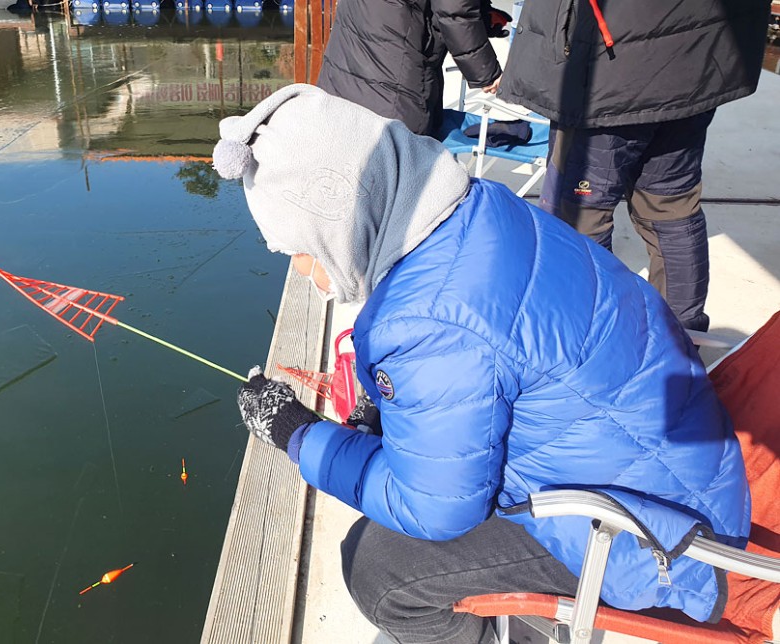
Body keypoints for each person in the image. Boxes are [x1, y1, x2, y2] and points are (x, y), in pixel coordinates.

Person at [212, 84, 751, 644]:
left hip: (660, 541)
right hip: (676, 475)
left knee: (376, 568)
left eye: (296, 247)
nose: (300, 268)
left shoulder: (424, 321)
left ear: (337, 214)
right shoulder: (478, 208)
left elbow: (434, 510)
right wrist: (385, 412)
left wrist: (299, 435)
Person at [497, 0, 771, 332]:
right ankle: (682, 341)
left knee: (579, 220)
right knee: (671, 208)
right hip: (697, 58)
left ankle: (600, 340)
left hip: (610, 72)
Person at [316, 0, 510, 137]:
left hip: (345, 62)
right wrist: (487, 73)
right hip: (394, 80)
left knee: (343, 161)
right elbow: (455, 11)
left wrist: (481, 15)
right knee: (397, 173)